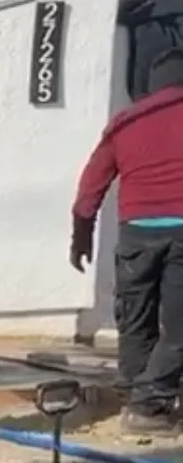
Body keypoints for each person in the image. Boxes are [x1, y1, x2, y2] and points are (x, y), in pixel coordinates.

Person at [73, 47, 183, 429]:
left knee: (135, 319)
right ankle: (147, 403)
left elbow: (91, 186)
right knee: (180, 325)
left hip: (137, 233)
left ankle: (139, 394)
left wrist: (81, 238)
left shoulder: (126, 121)